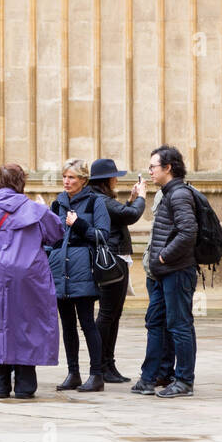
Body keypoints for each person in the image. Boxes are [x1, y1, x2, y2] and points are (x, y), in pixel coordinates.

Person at [0, 164, 65, 398]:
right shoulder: (35, 210)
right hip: (28, 270)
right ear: (22, 182)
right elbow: (56, 234)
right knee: (27, 322)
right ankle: (25, 385)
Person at [134, 145, 199, 398]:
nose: (149, 171)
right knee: (157, 322)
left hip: (177, 270)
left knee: (180, 325)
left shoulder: (179, 194)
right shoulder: (168, 192)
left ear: (168, 168)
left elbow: (188, 232)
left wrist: (164, 255)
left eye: (153, 166)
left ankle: (184, 381)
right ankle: (152, 376)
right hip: (163, 271)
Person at [47, 159, 112, 393]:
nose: (66, 181)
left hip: (83, 271)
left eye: (72, 177)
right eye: (64, 176)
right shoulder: (57, 203)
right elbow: (50, 238)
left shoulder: (96, 202)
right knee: (67, 325)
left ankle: (96, 375)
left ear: (83, 180)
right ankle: (73, 372)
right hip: (59, 271)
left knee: (87, 323)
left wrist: (79, 224)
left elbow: (103, 236)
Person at [87, 158, 146, 384]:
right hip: (112, 260)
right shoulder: (101, 199)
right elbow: (130, 216)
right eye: (114, 177)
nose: (116, 180)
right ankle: (101, 365)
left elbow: (122, 215)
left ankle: (108, 364)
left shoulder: (100, 198)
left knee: (112, 314)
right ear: (107, 179)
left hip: (114, 259)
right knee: (108, 314)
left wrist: (131, 200)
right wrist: (140, 197)